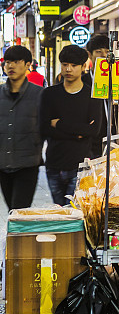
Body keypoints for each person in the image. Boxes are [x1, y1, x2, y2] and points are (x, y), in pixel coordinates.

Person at [40, 44, 102, 205]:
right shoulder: (49, 94)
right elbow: (44, 127)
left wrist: (59, 124)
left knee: (74, 213)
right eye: (65, 64)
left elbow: (94, 130)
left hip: (80, 166)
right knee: (59, 213)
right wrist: (78, 133)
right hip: (54, 164)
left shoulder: (93, 95)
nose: (68, 69)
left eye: (74, 65)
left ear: (83, 67)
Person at [0, 46, 43, 209]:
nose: (11, 66)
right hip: (3, 164)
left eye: (16, 62)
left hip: (27, 164)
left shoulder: (39, 94)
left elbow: (46, 127)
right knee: (12, 209)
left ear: (27, 65)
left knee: (19, 210)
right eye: (8, 62)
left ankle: (16, 235)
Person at [83, 34, 119, 157]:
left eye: (107, 51)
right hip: (91, 140)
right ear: (90, 55)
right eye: (98, 51)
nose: (103, 55)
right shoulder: (84, 82)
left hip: (116, 137)